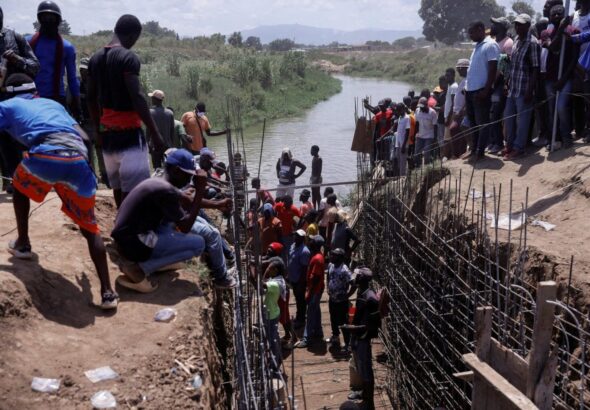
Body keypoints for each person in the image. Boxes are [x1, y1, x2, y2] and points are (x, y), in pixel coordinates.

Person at [0, 74, 117, 309]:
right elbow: (85, 137)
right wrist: (88, 170)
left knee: (19, 184)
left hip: (46, 152)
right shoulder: (53, 104)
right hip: (78, 158)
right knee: (89, 227)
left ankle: (23, 243)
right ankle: (107, 293)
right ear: (34, 91)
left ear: (9, 91)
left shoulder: (8, 105)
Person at [111, 149, 236, 291]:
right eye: (188, 176)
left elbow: (187, 201)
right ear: (177, 171)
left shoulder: (159, 180)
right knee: (198, 244)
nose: (189, 180)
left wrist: (218, 204)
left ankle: (159, 262)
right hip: (135, 245)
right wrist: (200, 190)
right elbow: (185, 227)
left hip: (128, 237)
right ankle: (140, 269)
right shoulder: (166, 190)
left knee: (200, 229)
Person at [87, 14, 165, 208]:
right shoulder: (128, 58)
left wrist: (97, 130)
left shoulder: (95, 59)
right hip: (129, 134)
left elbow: (90, 97)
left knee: (118, 186)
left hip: (108, 136)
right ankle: (130, 230)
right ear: (132, 36)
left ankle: (121, 227)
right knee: (135, 190)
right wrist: (155, 133)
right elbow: (137, 96)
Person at [0, 6, 40, 193]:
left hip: (18, 98)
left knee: (23, 140)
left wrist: (16, 59)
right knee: (3, 142)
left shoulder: (14, 37)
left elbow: (35, 67)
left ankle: (25, 180)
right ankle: (11, 180)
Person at [27, 1, 80, 115]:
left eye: (52, 18)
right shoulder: (28, 42)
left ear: (58, 20)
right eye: (45, 17)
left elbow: (72, 79)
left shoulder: (67, 47)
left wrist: (77, 104)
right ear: (40, 19)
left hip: (56, 99)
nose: (48, 21)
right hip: (30, 97)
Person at [503, 14, 540, 161]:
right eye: (516, 24)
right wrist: (507, 83)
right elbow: (513, 65)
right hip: (513, 87)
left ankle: (519, 148)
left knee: (523, 120)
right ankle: (510, 145)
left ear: (528, 26)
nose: (518, 27)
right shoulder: (517, 40)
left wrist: (529, 91)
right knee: (509, 118)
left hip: (524, 89)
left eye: (521, 25)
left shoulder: (533, 43)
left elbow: (535, 69)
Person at [343, 268, 380, 410]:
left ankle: (369, 403)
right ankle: (364, 395)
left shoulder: (370, 298)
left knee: (366, 372)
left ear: (361, 279)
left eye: (357, 276)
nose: (354, 277)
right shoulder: (361, 292)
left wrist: (351, 329)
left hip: (363, 338)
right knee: (361, 368)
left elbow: (371, 326)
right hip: (357, 336)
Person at [463, 21, 500, 161]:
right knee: (472, 123)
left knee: (482, 122)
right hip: (471, 91)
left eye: (472, 32)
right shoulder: (477, 46)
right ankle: (473, 150)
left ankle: (480, 152)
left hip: (481, 91)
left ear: (480, 29)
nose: (470, 35)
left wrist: (486, 90)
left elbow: (493, 69)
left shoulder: (490, 45)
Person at [544, 4, 577, 149]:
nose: (557, 17)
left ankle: (566, 136)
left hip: (566, 77)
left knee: (561, 107)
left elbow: (574, 59)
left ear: (565, 15)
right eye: (554, 14)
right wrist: (560, 30)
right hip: (550, 78)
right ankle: (554, 139)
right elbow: (552, 47)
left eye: (560, 14)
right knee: (551, 110)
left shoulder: (574, 32)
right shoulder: (546, 33)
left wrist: (563, 79)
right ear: (550, 17)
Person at [488, 17, 513, 155]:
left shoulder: (508, 43)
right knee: (491, 113)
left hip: (500, 84)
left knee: (496, 114)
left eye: (495, 24)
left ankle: (498, 143)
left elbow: (507, 67)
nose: (492, 25)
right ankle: (493, 142)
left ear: (502, 27)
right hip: (492, 83)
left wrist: (505, 84)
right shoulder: (493, 42)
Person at [296, 235, 325, 348]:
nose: (310, 241)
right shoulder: (317, 256)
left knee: (311, 313)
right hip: (317, 288)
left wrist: (309, 292)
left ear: (316, 244)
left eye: (312, 241)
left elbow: (315, 277)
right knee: (316, 310)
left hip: (315, 289)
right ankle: (318, 331)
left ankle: (307, 338)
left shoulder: (317, 258)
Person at [327, 248, 356, 351]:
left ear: (340, 258)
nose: (331, 257)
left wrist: (347, 296)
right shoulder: (331, 265)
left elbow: (354, 284)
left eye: (334, 255)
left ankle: (347, 343)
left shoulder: (345, 270)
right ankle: (335, 337)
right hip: (332, 299)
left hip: (341, 302)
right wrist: (328, 287)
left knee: (344, 322)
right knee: (333, 318)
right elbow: (328, 276)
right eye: (332, 255)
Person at [263, 257, 284, 375]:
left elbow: (260, 284)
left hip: (271, 315)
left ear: (275, 270)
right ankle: (275, 360)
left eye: (270, 268)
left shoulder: (275, 284)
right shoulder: (275, 279)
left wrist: (251, 274)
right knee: (272, 338)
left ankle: (275, 365)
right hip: (272, 312)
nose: (268, 270)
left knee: (273, 340)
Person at [447, 59, 470, 159]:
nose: (458, 71)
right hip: (457, 112)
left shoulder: (467, 81)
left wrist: (460, 112)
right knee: (458, 134)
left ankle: (457, 154)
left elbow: (468, 99)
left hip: (461, 113)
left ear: (463, 68)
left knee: (454, 130)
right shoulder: (463, 81)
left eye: (459, 69)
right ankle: (458, 154)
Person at [288, 229, 311, 329]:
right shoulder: (293, 246)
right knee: (297, 299)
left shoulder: (304, 251)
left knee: (301, 300)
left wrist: (301, 284)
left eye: (297, 236)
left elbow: (304, 269)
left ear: (302, 238)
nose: (295, 237)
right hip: (293, 278)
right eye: (295, 235)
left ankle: (301, 319)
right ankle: (299, 317)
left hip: (299, 280)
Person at [147, 90, 175, 168]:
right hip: (167, 146)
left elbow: (148, 131)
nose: (151, 100)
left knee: (157, 169)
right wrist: (171, 146)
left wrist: (148, 145)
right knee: (169, 169)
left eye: (152, 98)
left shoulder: (150, 112)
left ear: (156, 100)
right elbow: (172, 132)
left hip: (155, 147)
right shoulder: (170, 113)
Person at [274, 195, 301, 262]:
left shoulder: (294, 209)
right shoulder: (279, 206)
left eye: (291, 203)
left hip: (289, 235)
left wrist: (297, 229)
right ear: (284, 202)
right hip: (279, 234)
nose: (290, 205)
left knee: (290, 253)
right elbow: (273, 211)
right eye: (288, 203)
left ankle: (290, 268)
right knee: (282, 253)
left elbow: (301, 218)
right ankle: (284, 269)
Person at [414, 96, 438, 166]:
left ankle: (427, 168)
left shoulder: (432, 112)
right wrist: (416, 134)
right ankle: (418, 169)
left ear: (426, 105)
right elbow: (417, 123)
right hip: (420, 136)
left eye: (422, 106)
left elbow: (435, 126)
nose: (421, 108)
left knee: (427, 153)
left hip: (429, 136)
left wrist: (435, 138)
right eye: (420, 106)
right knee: (417, 154)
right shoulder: (417, 111)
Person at [391, 102, 410, 175]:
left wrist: (404, 145)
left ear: (402, 109)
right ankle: (400, 176)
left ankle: (403, 177)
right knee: (398, 160)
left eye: (399, 110)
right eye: (397, 110)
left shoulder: (407, 118)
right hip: (398, 143)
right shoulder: (399, 118)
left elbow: (407, 132)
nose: (397, 112)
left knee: (402, 162)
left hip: (403, 144)